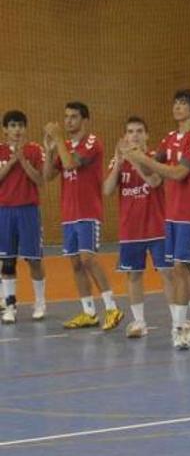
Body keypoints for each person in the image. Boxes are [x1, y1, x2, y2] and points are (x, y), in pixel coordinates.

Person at [126, 90, 190, 349]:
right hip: (172, 214)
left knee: (179, 268)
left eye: (182, 103)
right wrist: (135, 158)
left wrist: (141, 158)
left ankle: (178, 329)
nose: (177, 107)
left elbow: (178, 173)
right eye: (175, 102)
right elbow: (153, 178)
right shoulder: (170, 138)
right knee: (186, 270)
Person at [43, 102, 123, 331]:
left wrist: (57, 140)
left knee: (88, 259)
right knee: (76, 263)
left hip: (88, 211)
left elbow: (70, 164)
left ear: (84, 120)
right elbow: (48, 175)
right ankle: (89, 312)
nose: (68, 121)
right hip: (69, 213)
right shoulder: (64, 145)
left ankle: (112, 307)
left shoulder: (92, 142)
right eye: (66, 116)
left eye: (74, 117)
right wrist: (49, 151)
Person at [103, 116, 175, 338]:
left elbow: (154, 181)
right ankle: (139, 322)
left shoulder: (155, 158)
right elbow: (107, 190)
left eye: (139, 131)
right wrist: (117, 160)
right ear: (125, 136)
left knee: (167, 274)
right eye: (130, 131)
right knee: (133, 275)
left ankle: (178, 322)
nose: (134, 135)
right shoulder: (119, 162)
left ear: (147, 135)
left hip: (157, 227)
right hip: (130, 229)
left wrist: (134, 159)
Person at [0, 110, 47, 323]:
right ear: (5, 130)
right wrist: (11, 162)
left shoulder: (35, 150)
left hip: (28, 210)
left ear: (25, 128)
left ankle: (40, 302)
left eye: (20, 125)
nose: (16, 129)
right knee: (7, 261)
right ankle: (10, 306)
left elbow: (40, 180)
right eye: (12, 125)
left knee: (34, 259)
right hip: (4, 211)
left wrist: (23, 160)